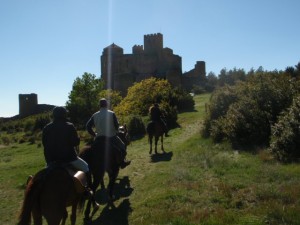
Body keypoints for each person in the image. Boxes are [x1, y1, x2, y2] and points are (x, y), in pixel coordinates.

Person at [42, 106, 99, 211]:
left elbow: (45, 145)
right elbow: (75, 143)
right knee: (86, 168)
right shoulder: (69, 126)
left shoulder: (46, 127)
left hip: (52, 162)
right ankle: (88, 193)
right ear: (64, 115)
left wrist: (49, 161)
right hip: (69, 159)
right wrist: (77, 139)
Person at [86, 98, 131, 169]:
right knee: (122, 146)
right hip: (111, 137)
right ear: (106, 105)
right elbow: (116, 126)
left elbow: (88, 126)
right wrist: (116, 130)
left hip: (99, 138)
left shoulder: (94, 115)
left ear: (99, 105)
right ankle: (122, 162)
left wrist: (94, 134)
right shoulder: (111, 113)